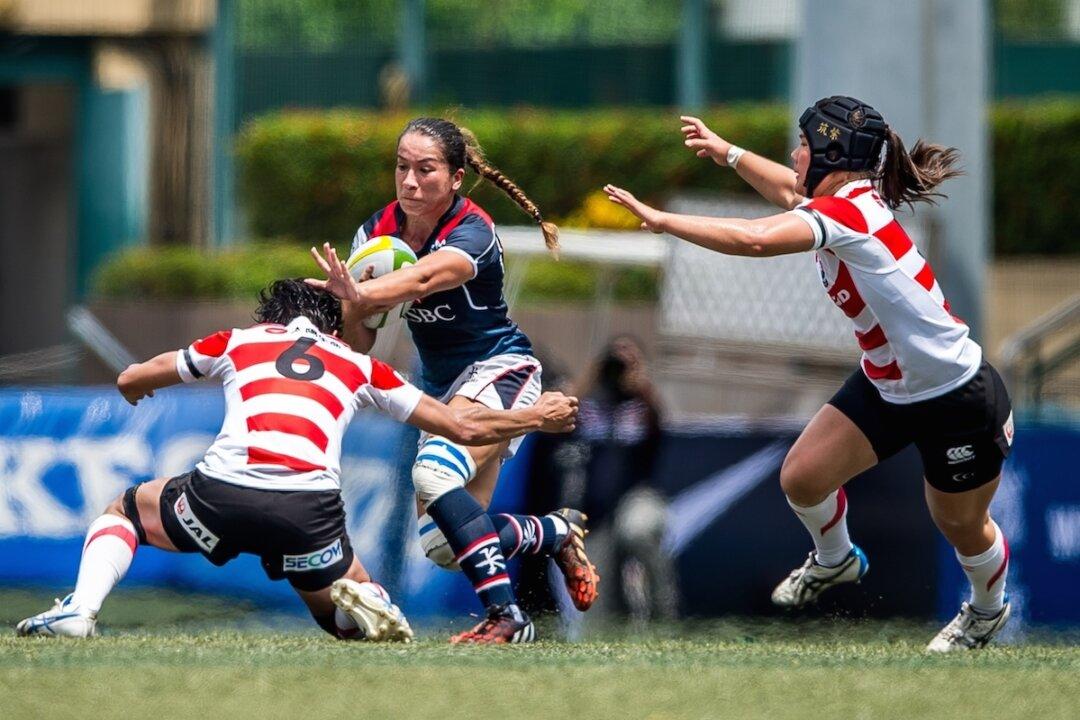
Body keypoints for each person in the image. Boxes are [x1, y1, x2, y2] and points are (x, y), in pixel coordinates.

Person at [603, 96, 1014, 652]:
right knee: (802, 478)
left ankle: (987, 610)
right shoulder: (845, 202)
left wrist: (663, 222)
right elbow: (785, 190)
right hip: (888, 385)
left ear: (833, 154)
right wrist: (728, 153)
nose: (796, 155)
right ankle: (836, 558)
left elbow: (754, 239)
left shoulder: (849, 215)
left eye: (804, 145)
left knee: (961, 525)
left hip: (956, 395)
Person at [16, 279, 578, 641]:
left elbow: (133, 377)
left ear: (272, 317)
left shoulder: (239, 339)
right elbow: (462, 426)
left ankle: (80, 610)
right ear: (333, 326)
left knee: (126, 510)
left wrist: (136, 386)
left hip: (221, 496)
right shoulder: (360, 365)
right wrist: (535, 416)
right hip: (309, 513)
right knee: (337, 617)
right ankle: (365, 600)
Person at [307, 117, 600, 644]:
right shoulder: (375, 233)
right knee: (444, 546)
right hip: (446, 390)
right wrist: (352, 311)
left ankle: (508, 617)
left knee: (433, 473)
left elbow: (423, 277)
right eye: (402, 167)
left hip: (501, 368)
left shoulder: (473, 231)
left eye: (426, 170)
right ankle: (554, 531)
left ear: (456, 178)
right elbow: (361, 342)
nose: (410, 181)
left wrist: (359, 292)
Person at [574, 336, 677, 623]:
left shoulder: (643, 406)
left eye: (629, 361)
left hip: (638, 496)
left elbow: (660, 424)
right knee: (596, 601)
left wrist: (641, 382)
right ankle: (615, 627)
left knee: (637, 531)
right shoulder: (589, 405)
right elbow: (560, 421)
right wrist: (593, 374)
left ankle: (663, 615)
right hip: (595, 508)